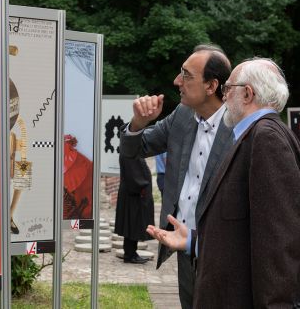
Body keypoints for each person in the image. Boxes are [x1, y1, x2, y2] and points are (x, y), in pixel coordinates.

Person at [147, 58, 300, 308]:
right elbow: (242, 234)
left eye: (228, 89)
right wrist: (191, 242)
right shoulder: (254, 135)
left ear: (248, 94)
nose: (224, 97)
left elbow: (279, 243)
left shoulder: (266, 138)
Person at [120, 44, 233, 308]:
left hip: (222, 252)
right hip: (183, 248)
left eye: (186, 75)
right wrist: (138, 122)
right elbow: (133, 149)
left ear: (211, 85)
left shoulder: (238, 125)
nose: (176, 81)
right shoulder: (182, 115)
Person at [114, 155, 154, 264]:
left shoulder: (131, 149)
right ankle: (130, 254)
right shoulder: (129, 150)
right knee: (132, 224)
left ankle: (131, 252)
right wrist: (143, 185)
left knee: (132, 224)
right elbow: (133, 173)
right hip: (134, 194)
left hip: (133, 193)